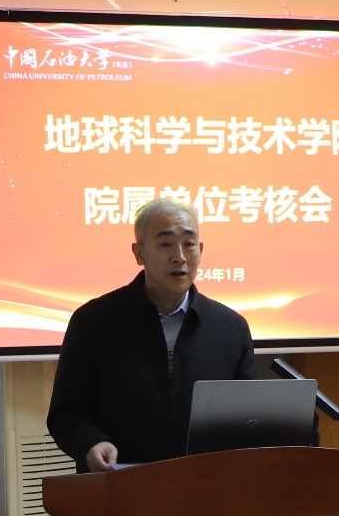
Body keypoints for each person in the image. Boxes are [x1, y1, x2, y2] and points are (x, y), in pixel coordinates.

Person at [47, 199, 254, 472]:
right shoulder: (93, 321)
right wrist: (91, 443)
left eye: (189, 243)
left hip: (206, 485)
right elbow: (66, 414)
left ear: (201, 251)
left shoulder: (231, 327)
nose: (179, 256)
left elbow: (248, 418)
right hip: (119, 483)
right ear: (139, 253)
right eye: (165, 244)